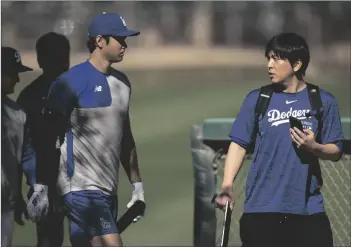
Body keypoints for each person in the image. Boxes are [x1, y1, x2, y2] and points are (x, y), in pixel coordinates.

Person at [215, 33, 344, 247]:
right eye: (268, 58)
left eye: (276, 59)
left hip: (308, 210)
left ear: (297, 64)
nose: (269, 65)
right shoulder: (257, 99)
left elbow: (336, 150)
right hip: (261, 210)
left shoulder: (323, 100)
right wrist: (227, 185)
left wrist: (315, 147)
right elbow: (238, 144)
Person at [27, 13, 146, 247]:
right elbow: (45, 136)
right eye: (120, 40)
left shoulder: (123, 83)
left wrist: (137, 185)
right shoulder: (68, 83)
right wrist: (42, 185)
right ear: (100, 41)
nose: (125, 45)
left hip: (107, 192)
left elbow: (126, 138)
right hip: (80, 189)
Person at [17, 32, 71, 247]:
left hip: (79, 182)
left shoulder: (82, 91)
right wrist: (38, 184)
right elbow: (25, 146)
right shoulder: (30, 97)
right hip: (47, 184)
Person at [1, 46, 38, 246]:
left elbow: (25, 154)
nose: (17, 79)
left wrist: (31, 187)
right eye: (12, 73)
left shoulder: (17, 114)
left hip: (4, 207)